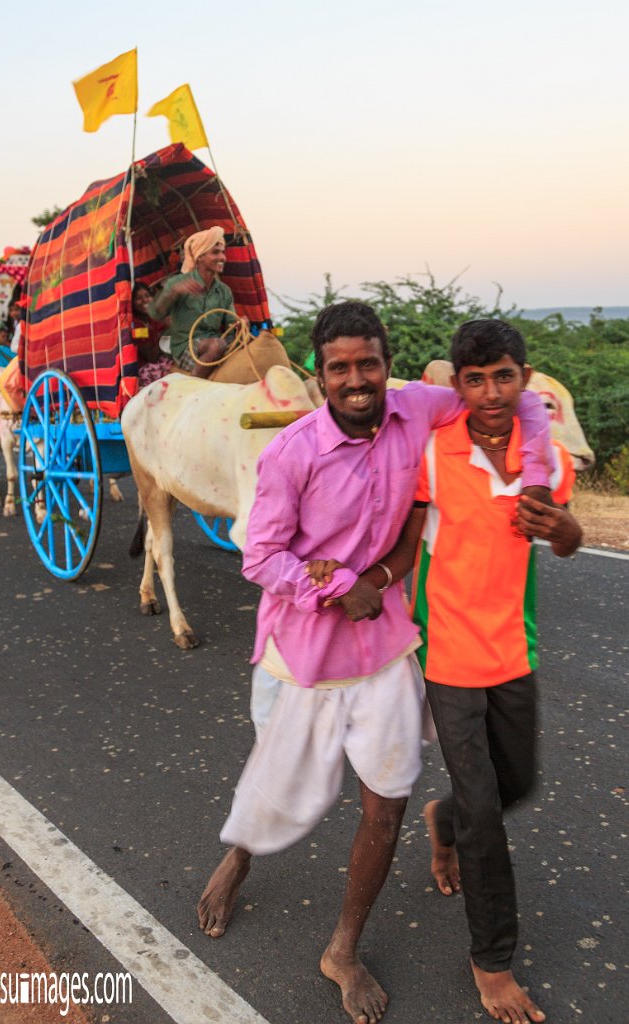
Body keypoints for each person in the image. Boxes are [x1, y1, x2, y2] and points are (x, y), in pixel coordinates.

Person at [196, 302, 555, 1024]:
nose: (356, 380)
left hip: (386, 648)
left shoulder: (417, 411)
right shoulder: (291, 451)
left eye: (368, 364)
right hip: (301, 651)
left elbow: (522, 399)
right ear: (319, 374)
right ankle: (240, 856)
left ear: (388, 365)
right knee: (279, 779)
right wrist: (330, 586)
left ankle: (342, 950)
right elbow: (260, 555)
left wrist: (539, 476)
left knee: (384, 804)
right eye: (339, 367)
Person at [311, 318, 581, 1024]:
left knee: (517, 782)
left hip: (513, 650)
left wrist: (562, 531)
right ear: (456, 386)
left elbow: (567, 539)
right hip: (449, 652)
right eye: (474, 379)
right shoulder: (435, 451)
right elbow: (402, 537)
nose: (490, 392)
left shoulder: (543, 457)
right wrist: (354, 582)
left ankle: (443, 822)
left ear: (525, 380)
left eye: (503, 376)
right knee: (487, 811)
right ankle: (491, 962)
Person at [146, 226, 237, 378]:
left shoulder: (224, 291)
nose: (222, 257)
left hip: (215, 342)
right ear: (200, 257)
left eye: (223, 252)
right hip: (185, 346)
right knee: (217, 345)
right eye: (215, 252)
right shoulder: (177, 283)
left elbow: (231, 324)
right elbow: (155, 313)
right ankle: (193, 385)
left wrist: (240, 324)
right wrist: (173, 292)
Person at [131, 281, 174, 387]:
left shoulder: (152, 318)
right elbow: (151, 356)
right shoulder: (135, 325)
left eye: (147, 296)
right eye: (138, 298)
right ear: (132, 303)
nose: (145, 300)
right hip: (145, 368)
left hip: (160, 361)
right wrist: (164, 331)